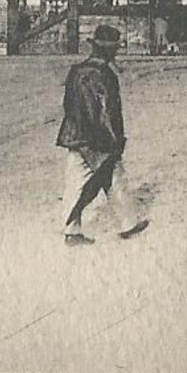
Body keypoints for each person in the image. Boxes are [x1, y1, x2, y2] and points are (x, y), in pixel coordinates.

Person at [57, 24, 149, 246]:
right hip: (98, 138)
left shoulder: (76, 71)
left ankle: (72, 231)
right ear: (108, 50)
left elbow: (68, 105)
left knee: (75, 183)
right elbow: (109, 112)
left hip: (75, 135)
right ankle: (127, 224)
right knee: (114, 177)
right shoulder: (105, 75)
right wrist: (115, 140)